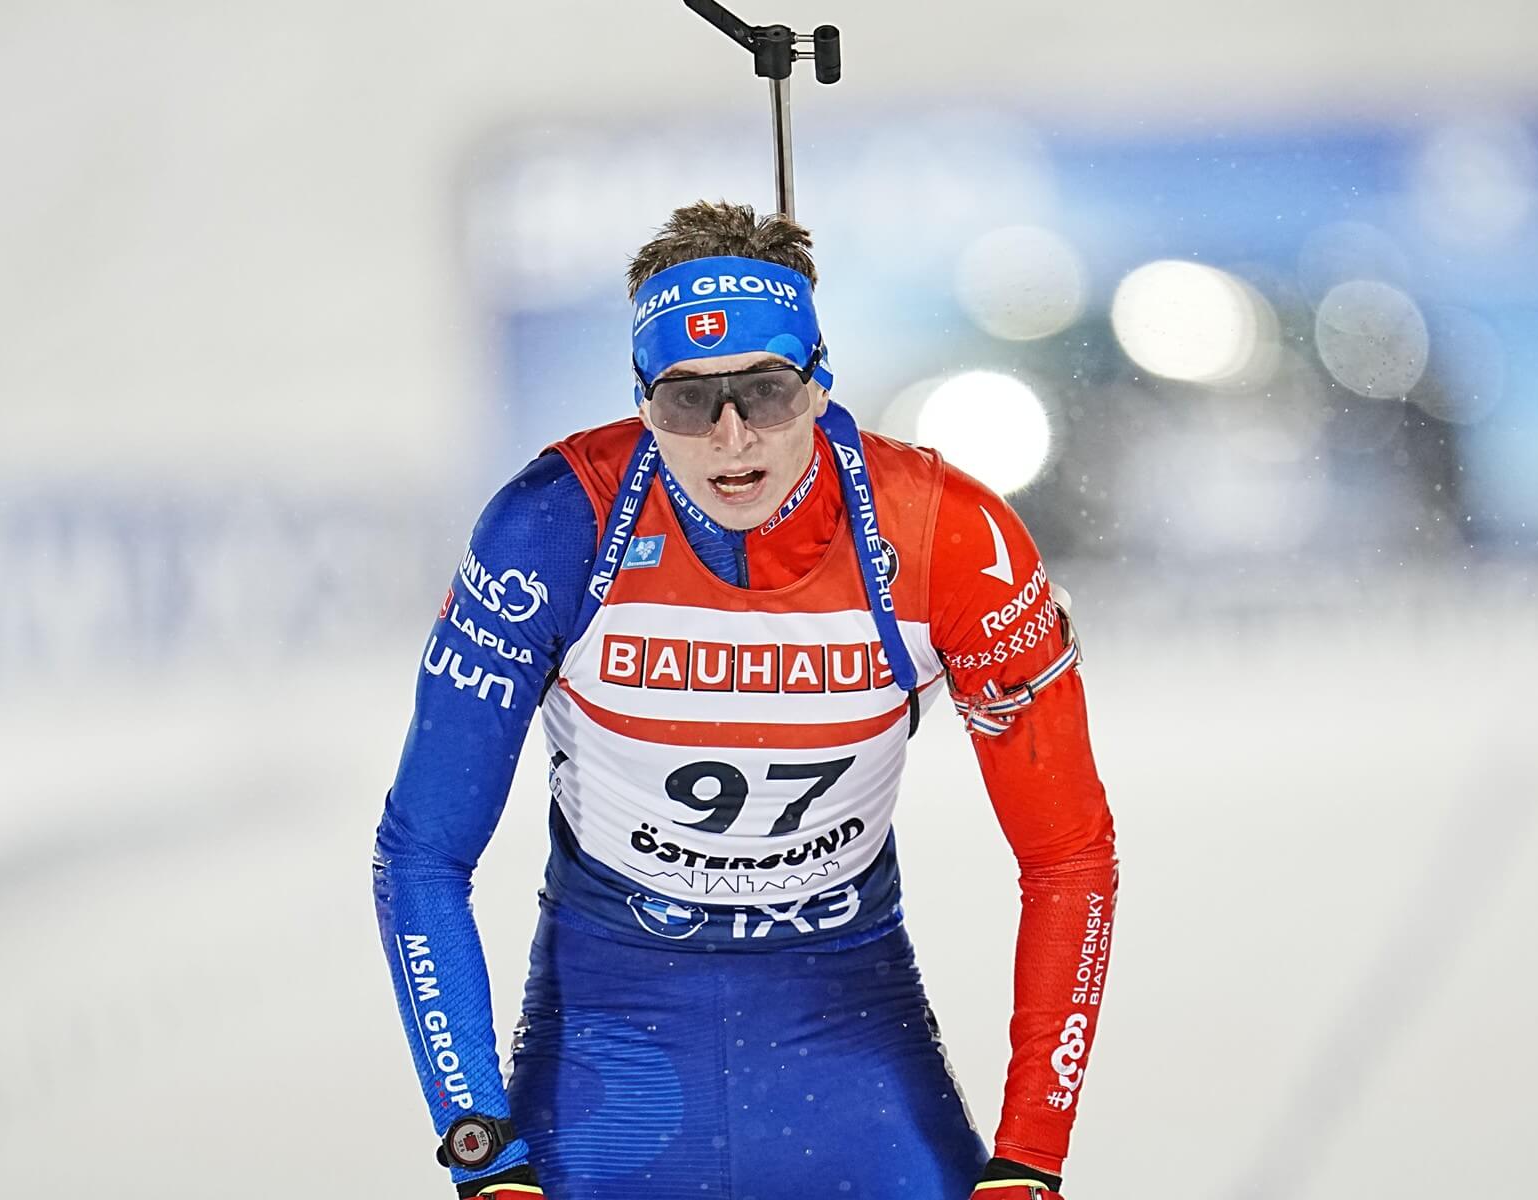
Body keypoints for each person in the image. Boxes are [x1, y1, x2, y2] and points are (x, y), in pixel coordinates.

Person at [373, 200, 1117, 1200]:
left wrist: (1031, 1156)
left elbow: (1068, 855)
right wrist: (479, 1144)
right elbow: (422, 854)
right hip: (611, 1043)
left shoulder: (946, 536)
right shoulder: (554, 527)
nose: (731, 438)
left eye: (765, 391)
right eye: (690, 400)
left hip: (846, 1034)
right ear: (643, 402)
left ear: (819, 381)